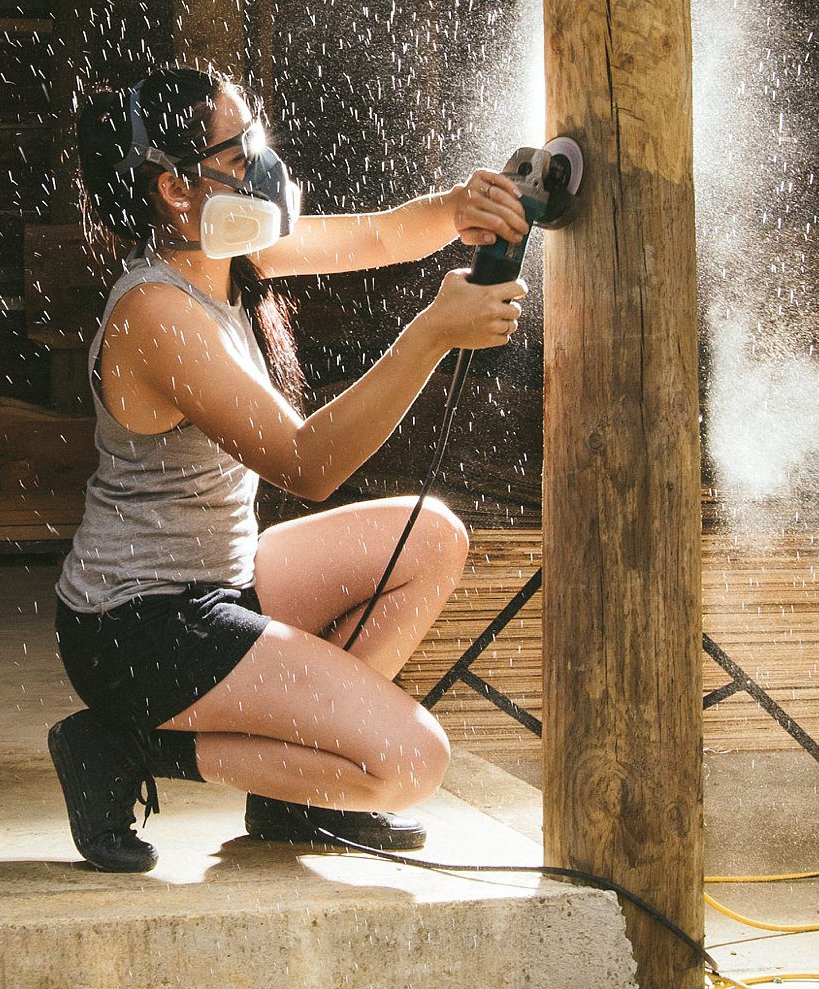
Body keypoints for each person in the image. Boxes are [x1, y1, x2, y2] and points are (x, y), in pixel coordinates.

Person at [47, 63, 530, 872]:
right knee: (412, 762)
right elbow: (307, 464)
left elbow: (378, 237)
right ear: (174, 188)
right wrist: (431, 335)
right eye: (239, 155)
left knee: (433, 539)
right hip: (139, 627)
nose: (263, 164)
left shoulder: (230, 253)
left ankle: (294, 798)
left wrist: (462, 207)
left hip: (216, 582)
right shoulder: (155, 313)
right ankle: (128, 745)